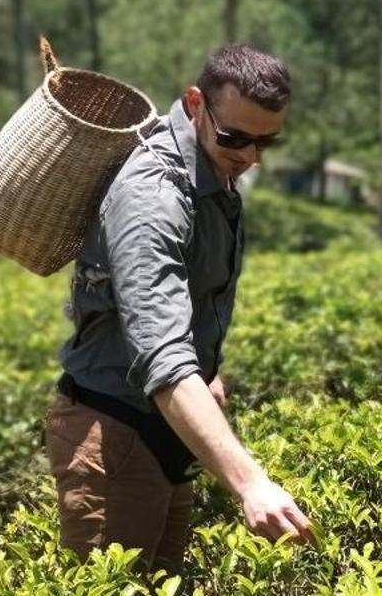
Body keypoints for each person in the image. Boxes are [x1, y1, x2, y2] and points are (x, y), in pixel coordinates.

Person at [47, 43, 313, 569]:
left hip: (167, 431)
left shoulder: (214, 168)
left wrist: (206, 372)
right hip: (116, 436)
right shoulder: (153, 199)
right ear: (195, 103)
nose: (250, 157)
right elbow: (165, 363)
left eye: (266, 142)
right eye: (237, 138)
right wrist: (250, 483)